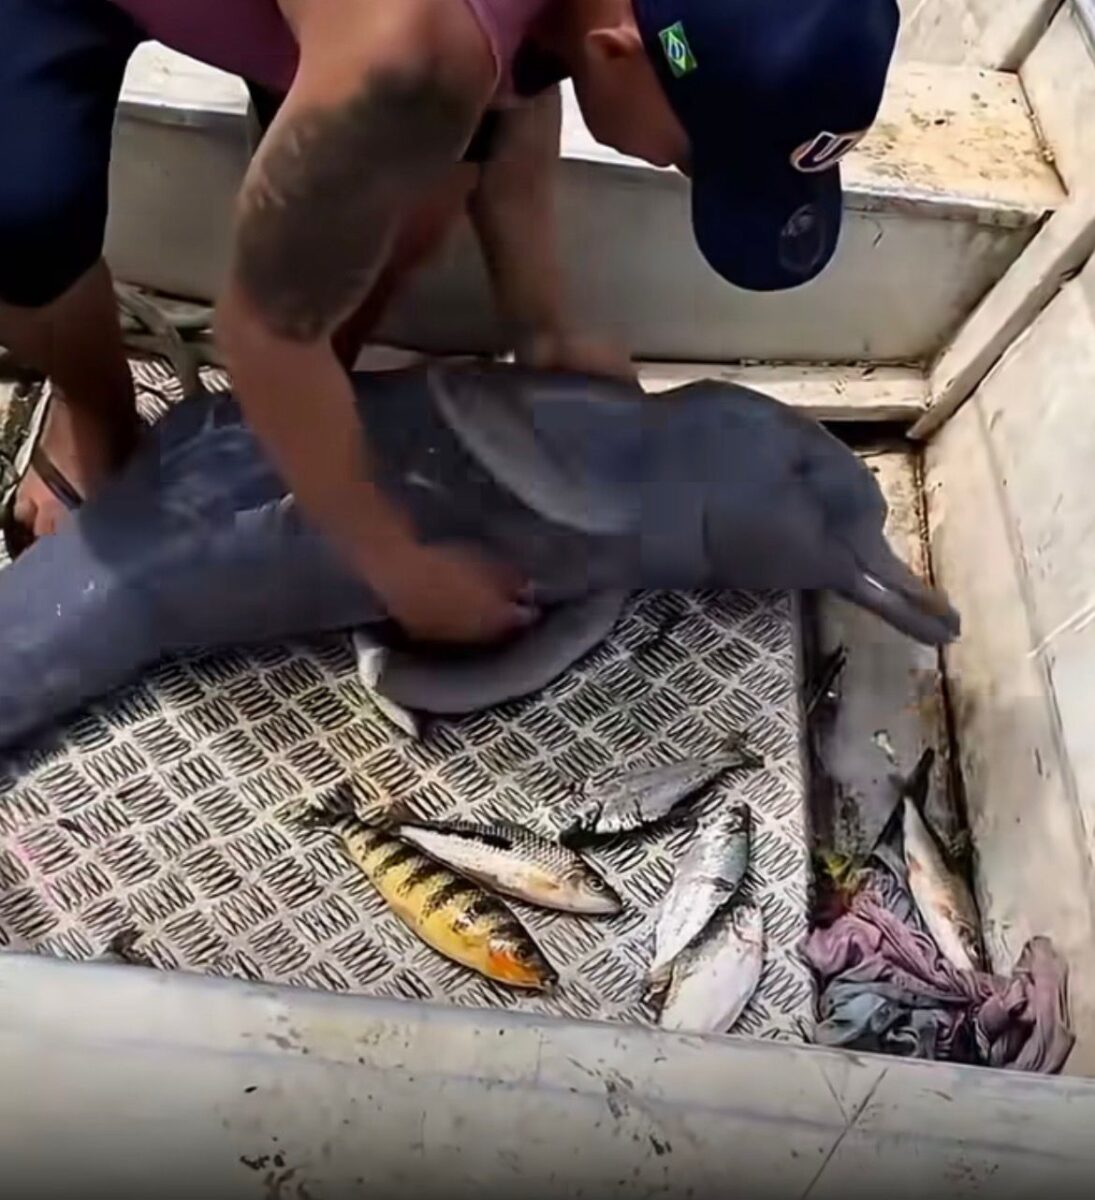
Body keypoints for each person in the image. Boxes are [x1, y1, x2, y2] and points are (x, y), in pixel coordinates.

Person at [0, 0, 899, 643]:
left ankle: (271, 437)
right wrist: (395, 565)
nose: (682, 171)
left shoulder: (557, 34)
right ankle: (100, 416)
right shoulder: (416, 51)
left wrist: (541, 322)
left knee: (416, 186)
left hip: (368, 32)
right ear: (620, 48)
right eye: (699, 157)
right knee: (22, 221)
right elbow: (261, 330)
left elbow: (530, 71)